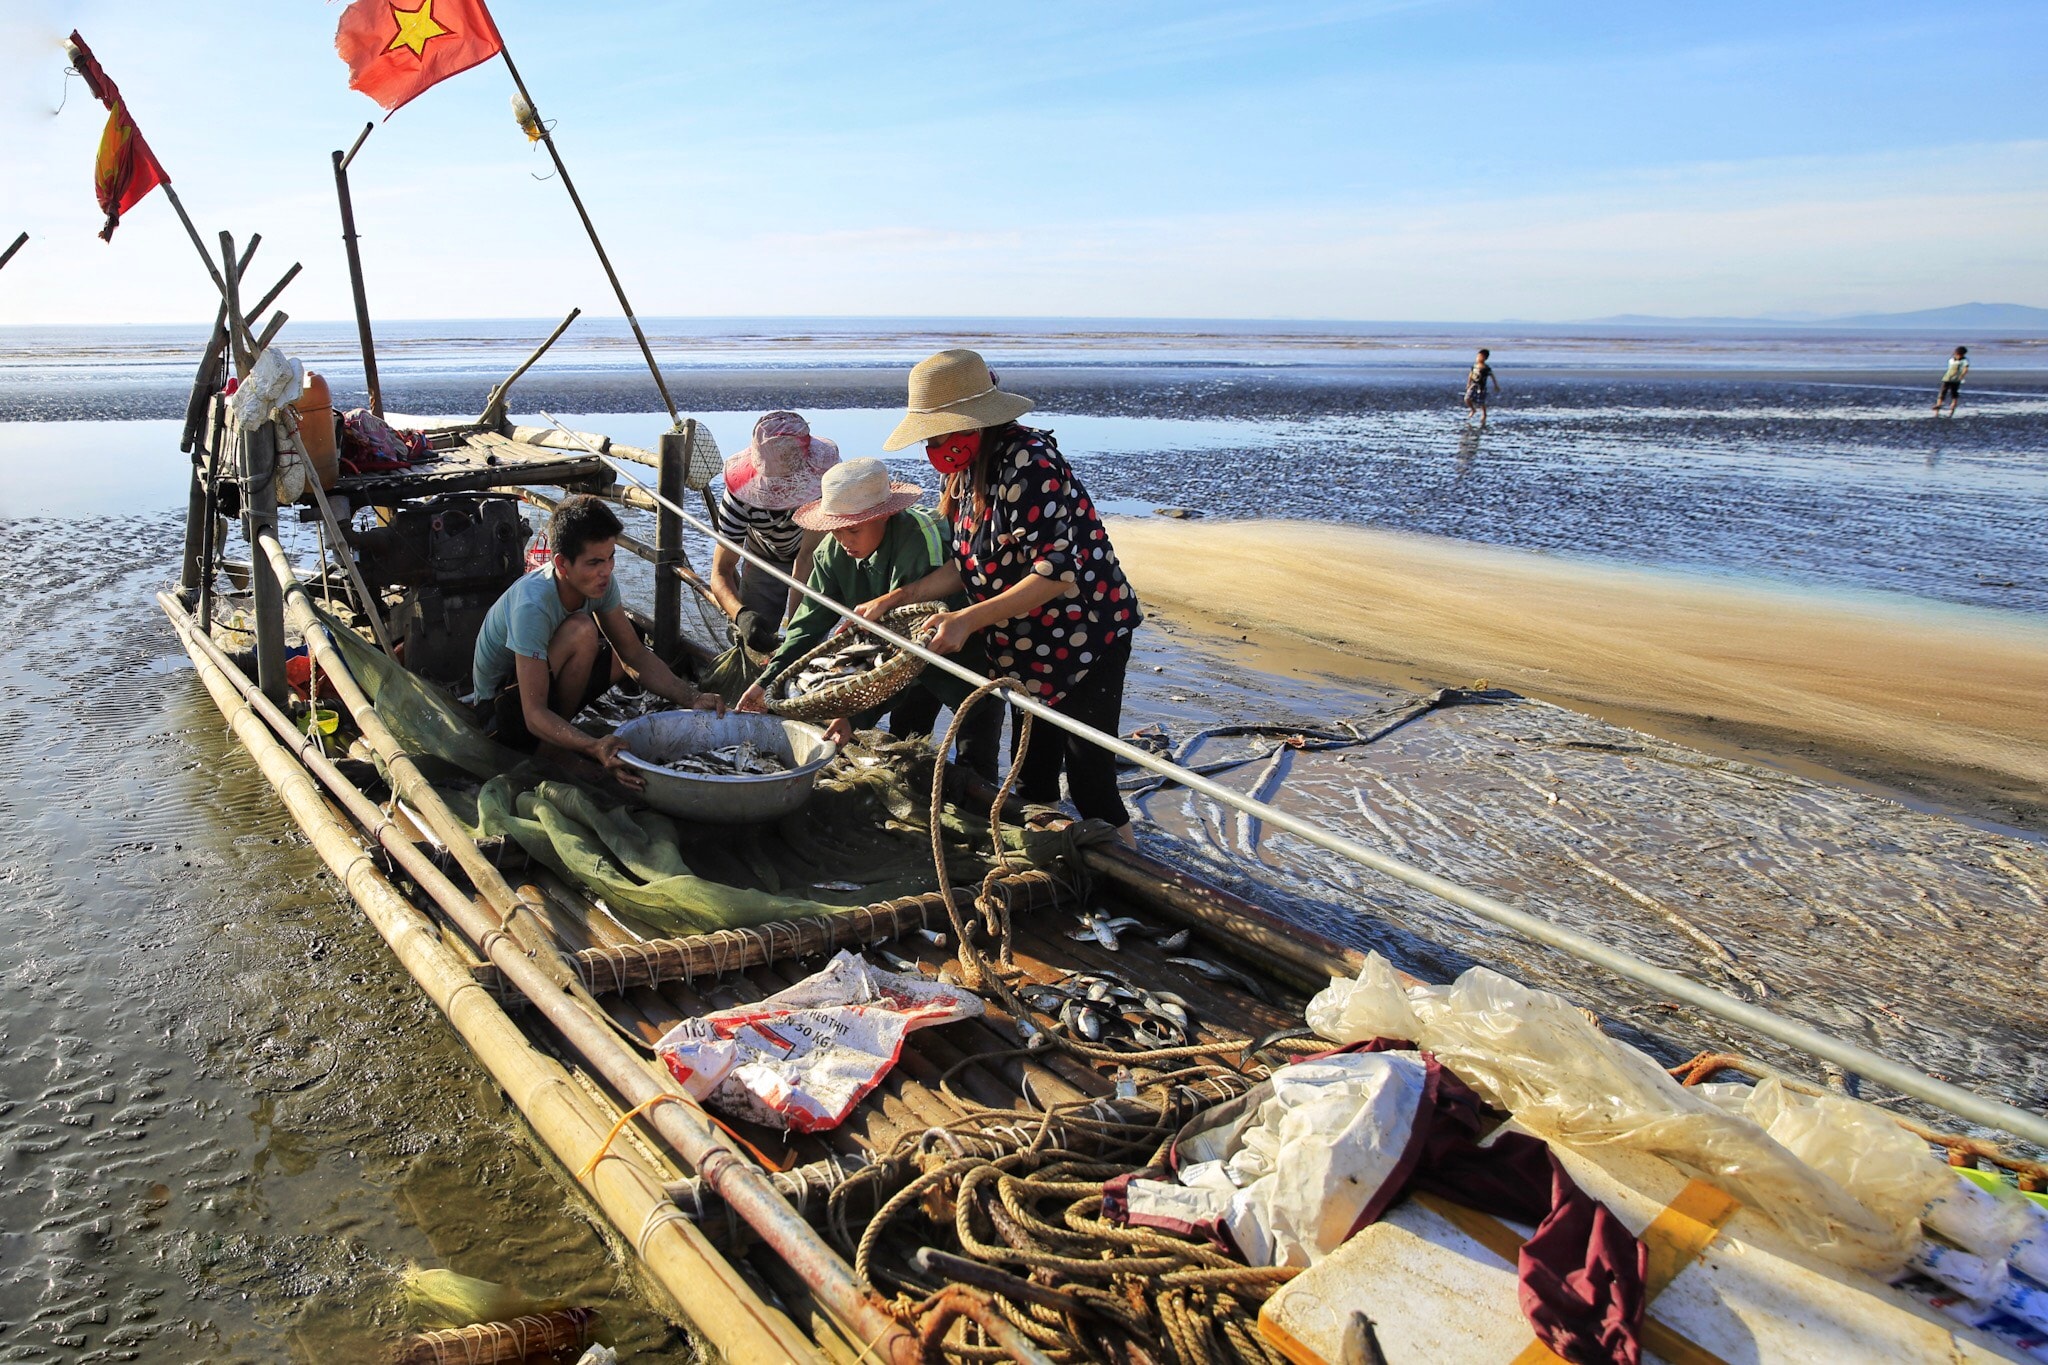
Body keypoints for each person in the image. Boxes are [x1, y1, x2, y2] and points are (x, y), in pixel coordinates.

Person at [869, 349, 1143, 844]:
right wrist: (899, 597)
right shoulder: (959, 471)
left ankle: (1135, 883)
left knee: (1091, 782)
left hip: (1084, 637)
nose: (934, 444)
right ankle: (1056, 856)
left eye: (940, 432)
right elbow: (965, 564)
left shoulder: (1029, 463)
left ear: (975, 422)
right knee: (1033, 776)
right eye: (929, 436)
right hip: (1024, 647)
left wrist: (968, 620)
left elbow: (1054, 575)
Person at [735, 459, 1001, 779]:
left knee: (975, 751)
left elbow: (903, 648)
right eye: (835, 528)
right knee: (907, 743)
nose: (844, 539)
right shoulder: (832, 553)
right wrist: (766, 683)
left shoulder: (920, 543)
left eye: (854, 529)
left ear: (885, 515)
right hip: (900, 665)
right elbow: (806, 627)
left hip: (963, 654)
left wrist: (853, 715)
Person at [473, 494, 721, 786]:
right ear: (562, 565)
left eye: (611, 557)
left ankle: (556, 744)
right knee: (582, 630)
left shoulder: (602, 583)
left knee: (625, 645)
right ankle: (554, 752)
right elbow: (533, 713)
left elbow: (635, 656)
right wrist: (593, 746)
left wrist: (691, 697)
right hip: (500, 715)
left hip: (542, 687)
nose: (606, 571)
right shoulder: (533, 605)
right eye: (594, 562)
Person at [707, 411, 838, 654]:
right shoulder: (739, 498)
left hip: (815, 557)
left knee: (809, 643)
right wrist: (742, 615)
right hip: (763, 558)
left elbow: (807, 557)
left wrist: (796, 632)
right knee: (754, 639)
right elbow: (720, 571)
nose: (783, 496)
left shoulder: (823, 487)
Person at [1464, 347, 1500, 423]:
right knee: (1467, 398)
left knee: (1481, 402)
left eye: (1480, 356)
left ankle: (1484, 414)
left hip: (1481, 387)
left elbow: (1492, 376)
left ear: (1484, 358)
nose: (1478, 358)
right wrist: (1468, 383)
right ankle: (1473, 409)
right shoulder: (1474, 366)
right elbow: (1470, 375)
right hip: (1473, 385)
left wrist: (1496, 385)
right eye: (1477, 356)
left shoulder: (1486, 368)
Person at [1933, 346, 1969, 416]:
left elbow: (1965, 369)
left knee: (1954, 393)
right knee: (1943, 391)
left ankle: (1953, 406)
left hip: (1956, 379)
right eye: (1956, 354)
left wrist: (1961, 376)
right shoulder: (1952, 359)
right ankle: (1938, 404)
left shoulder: (1964, 361)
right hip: (1947, 378)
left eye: (1959, 354)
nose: (1957, 355)